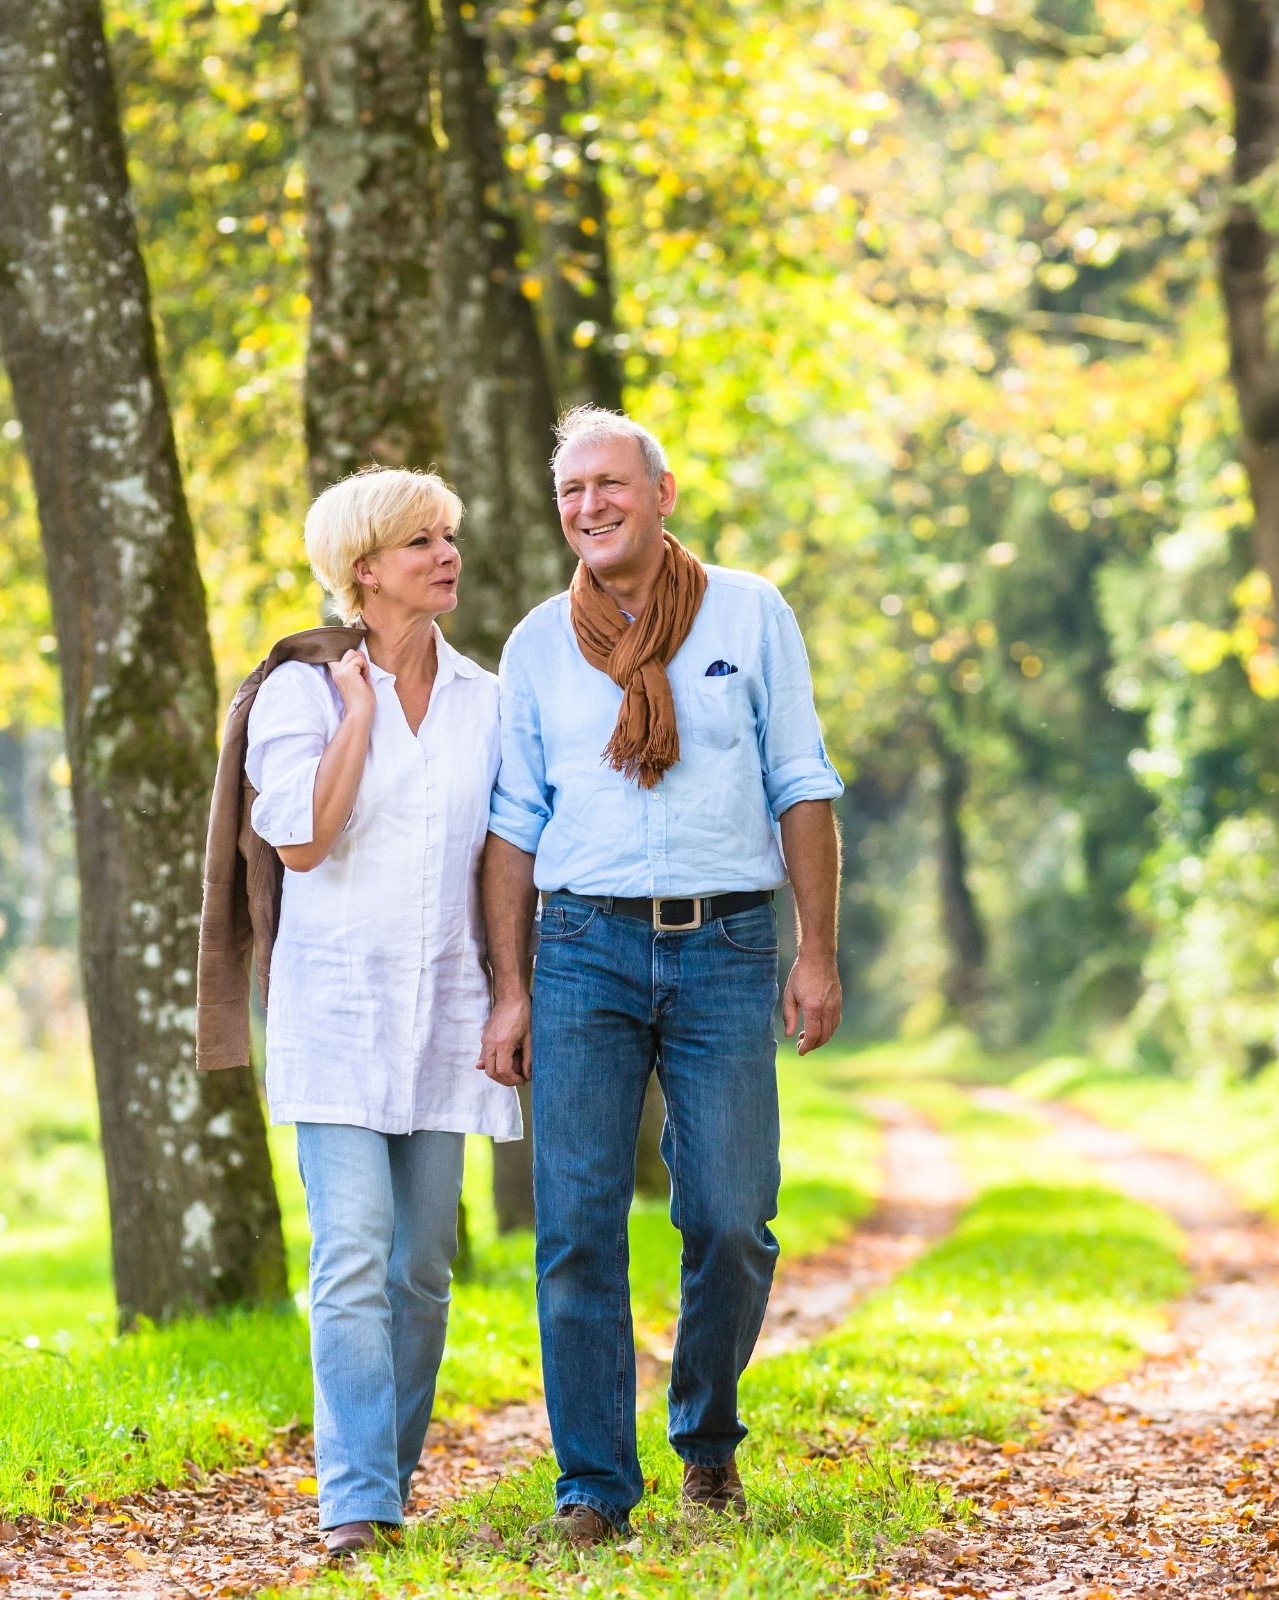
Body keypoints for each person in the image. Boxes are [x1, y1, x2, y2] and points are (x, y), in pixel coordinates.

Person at [477, 406, 845, 1545]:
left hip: (727, 942)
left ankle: (706, 1434)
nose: (589, 505)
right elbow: (511, 825)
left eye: (609, 483)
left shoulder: (749, 612)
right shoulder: (538, 642)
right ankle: (592, 1483)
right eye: (570, 490)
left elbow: (800, 781)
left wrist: (815, 951)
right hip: (581, 945)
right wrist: (509, 985)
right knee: (576, 1223)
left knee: (731, 1216)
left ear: (661, 491)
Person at [244, 466, 522, 1561]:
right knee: (352, 1252)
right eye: (421, 541)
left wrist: (511, 991)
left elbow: (506, 857)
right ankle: (356, 1502)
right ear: (363, 569)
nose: (446, 554)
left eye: (448, 534)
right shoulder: (296, 693)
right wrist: (357, 715)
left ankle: (386, 1473)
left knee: (421, 1270)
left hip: (445, 1009)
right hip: (336, 1011)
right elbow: (303, 839)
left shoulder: (486, 700)